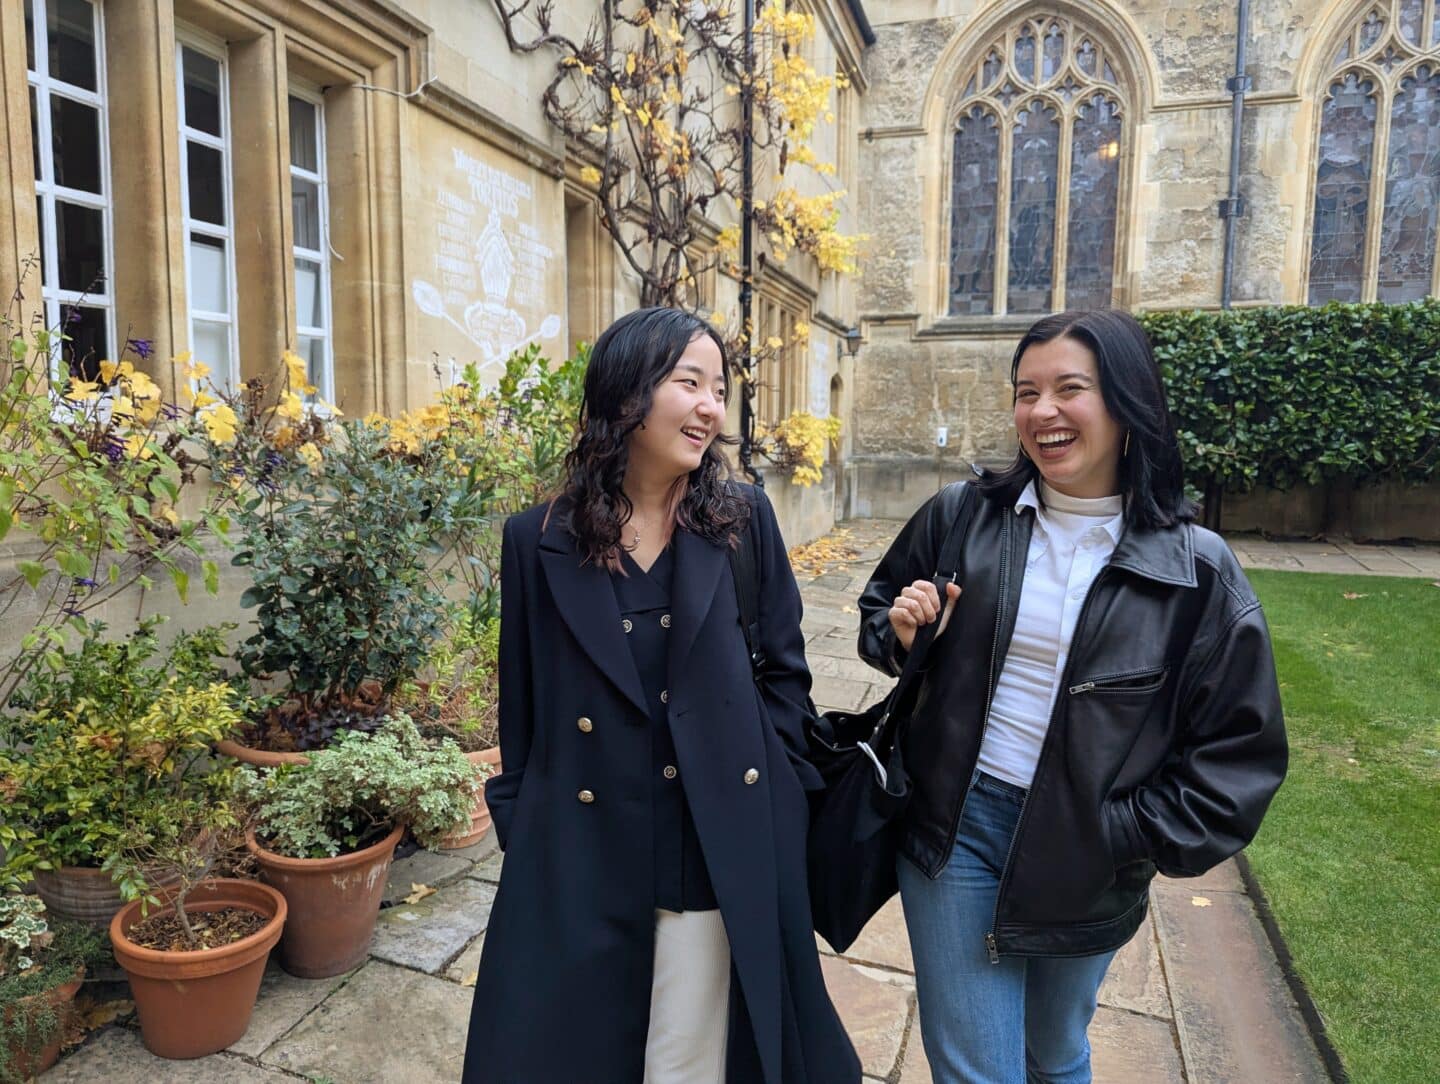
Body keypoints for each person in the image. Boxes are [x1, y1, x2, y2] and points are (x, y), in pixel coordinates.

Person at [856, 309, 1288, 1083]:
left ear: (1126, 405)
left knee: (1054, 1056)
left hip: (1088, 854)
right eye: (1026, 392)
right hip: (953, 829)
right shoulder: (964, 517)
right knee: (979, 1069)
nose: (1041, 411)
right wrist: (902, 634)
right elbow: (877, 618)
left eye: (1068, 389)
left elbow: (1238, 757)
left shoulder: (1199, 572)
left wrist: (1123, 834)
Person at [462, 306, 859, 1084]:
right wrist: (526, 826)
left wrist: (772, 793)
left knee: (688, 1057)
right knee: (577, 1051)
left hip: (712, 842)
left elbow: (784, 672)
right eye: (691, 383)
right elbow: (527, 707)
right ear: (626, 392)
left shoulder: (741, 520)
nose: (713, 406)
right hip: (582, 851)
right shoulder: (535, 538)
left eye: (719, 388)